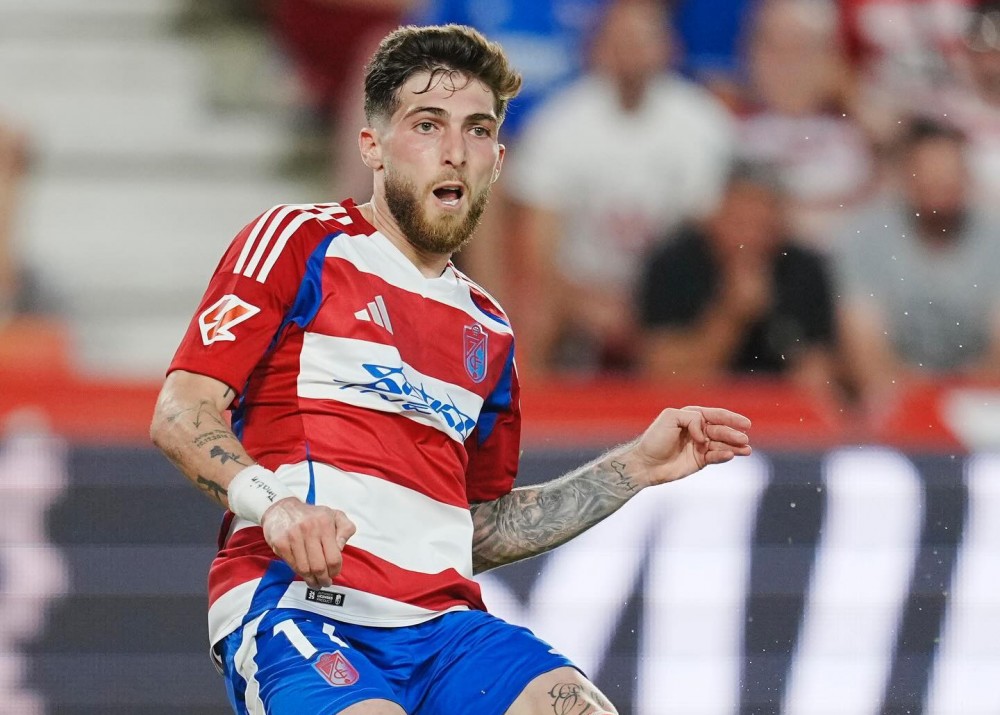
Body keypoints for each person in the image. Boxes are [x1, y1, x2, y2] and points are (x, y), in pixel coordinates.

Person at [149, 24, 753, 715]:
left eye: (478, 130)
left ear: (498, 160)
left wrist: (633, 468)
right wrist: (275, 504)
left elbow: (478, 529)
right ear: (372, 145)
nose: (455, 151)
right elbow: (181, 411)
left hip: (445, 631)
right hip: (301, 606)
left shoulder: (489, 327)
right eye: (427, 125)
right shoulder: (300, 242)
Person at [505, 0, 735, 376]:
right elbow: (536, 243)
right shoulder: (557, 123)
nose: (631, 53)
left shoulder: (704, 123)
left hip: (669, 294)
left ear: (670, 47)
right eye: (620, 41)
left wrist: (652, 304)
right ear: (595, 47)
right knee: (533, 305)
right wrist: (578, 299)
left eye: (642, 41)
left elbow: (711, 236)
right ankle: (532, 406)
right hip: (579, 290)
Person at [832, 116, 1000, 422]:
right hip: (892, 400)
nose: (939, 182)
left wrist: (960, 397)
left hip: (981, 403)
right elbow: (864, 345)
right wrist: (914, 401)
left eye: (949, 172)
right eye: (928, 171)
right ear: (906, 176)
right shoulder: (865, 236)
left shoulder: (994, 237)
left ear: (966, 176)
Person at [637, 159, 840, 397]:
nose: (750, 237)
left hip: (776, 406)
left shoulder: (803, 268)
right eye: (739, 222)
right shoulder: (673, 264)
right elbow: (663, 376)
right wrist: (731, 317)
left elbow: (819, 376)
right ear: (715, 216)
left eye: (762, 224)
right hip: (696, 405)